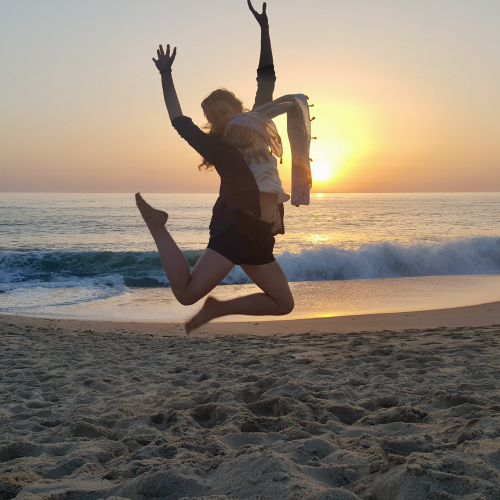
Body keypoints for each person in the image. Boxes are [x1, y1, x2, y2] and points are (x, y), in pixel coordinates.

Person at [136, 1, 295, 334]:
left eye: (224, 111)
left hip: (261, 233)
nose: (221, 118)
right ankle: (158, 225)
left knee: (284, 304)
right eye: (214, 117)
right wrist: (166, 75)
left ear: (238, 107)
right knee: (186, 293)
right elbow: (179, 121)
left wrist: (264, 29)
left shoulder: (259, 124)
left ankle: (219, 308)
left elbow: (266, 77)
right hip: (235, 226)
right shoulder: (221, 149)